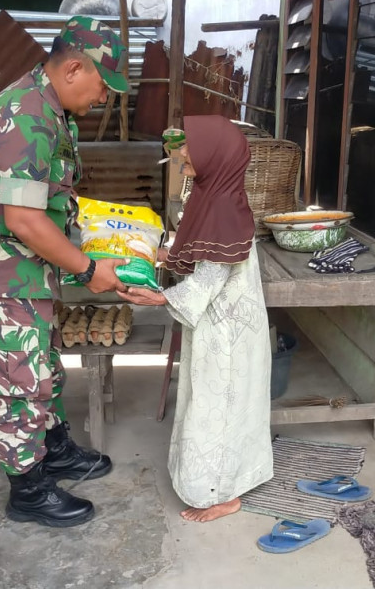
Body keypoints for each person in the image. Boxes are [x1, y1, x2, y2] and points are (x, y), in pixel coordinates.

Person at [0, 16, 130, 529]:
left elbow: (48, 205)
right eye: (103, 86)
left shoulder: (52, 109)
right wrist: (89, 268)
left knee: (43, 366)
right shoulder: (26, 113)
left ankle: (52, 450)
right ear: (74, 68)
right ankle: (27, 490)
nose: (103, 98)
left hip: (29, 270)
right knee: (18, 379)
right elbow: (24, 218)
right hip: (4, 272)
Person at [117, 115, 274, 522]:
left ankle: (222, 493)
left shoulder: (220, 205)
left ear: (215, 156)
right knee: (220, 404)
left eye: (190, 147)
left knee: (216, 409)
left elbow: (207, 278)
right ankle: (227, 478)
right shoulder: (213, 194)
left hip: (226, 334)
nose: (182, 153)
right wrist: (158, 253)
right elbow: (201, 251)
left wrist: (158, 297)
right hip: (223, 326)